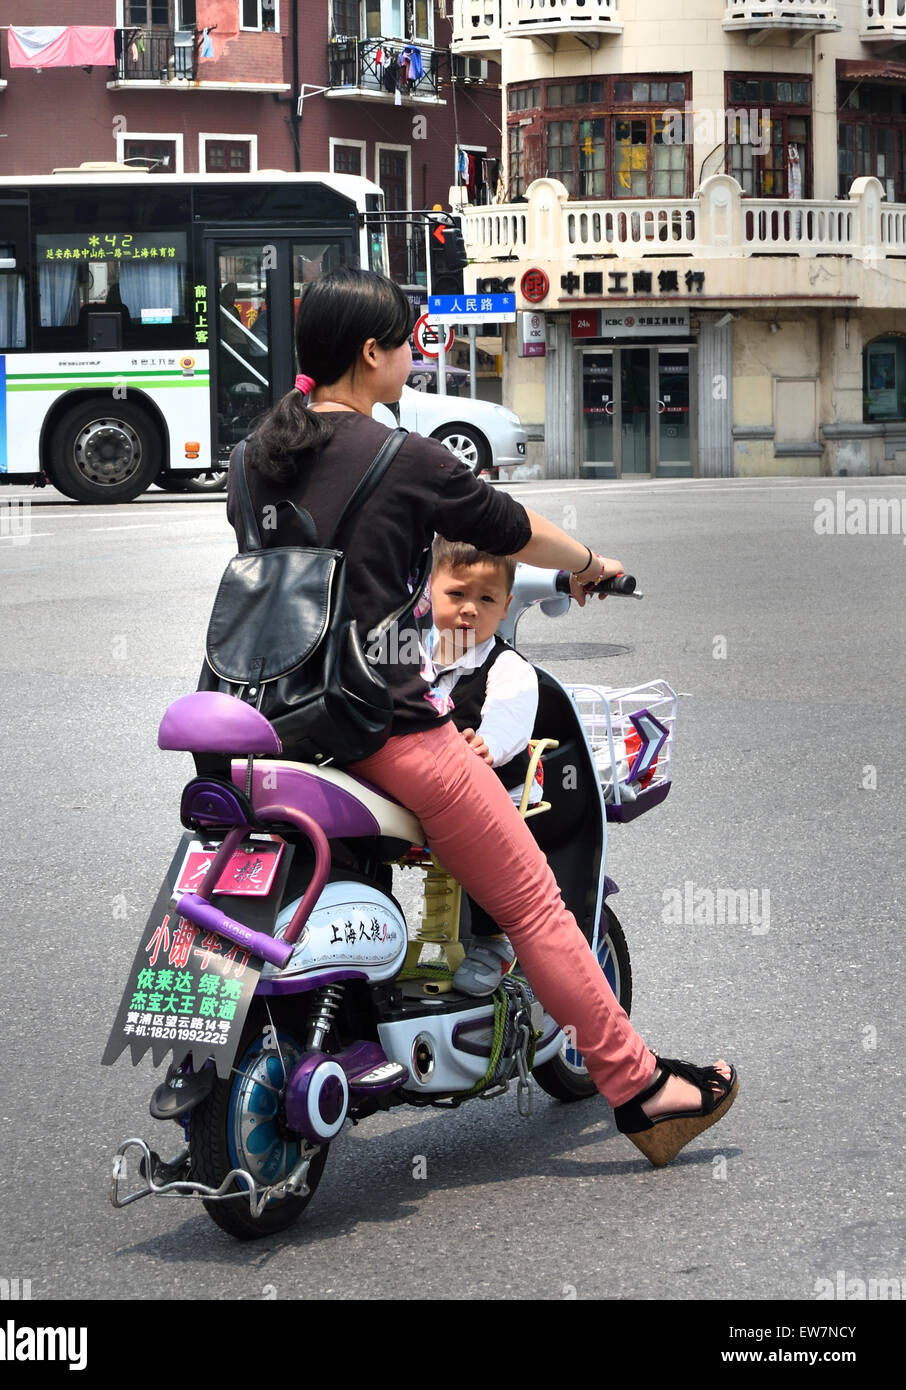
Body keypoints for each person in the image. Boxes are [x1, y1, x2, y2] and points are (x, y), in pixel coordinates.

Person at [228, 266, 738, 1169]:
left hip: (271, 724)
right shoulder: (402, 455)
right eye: (406, 342)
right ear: (371, 353)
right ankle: (641, 1087)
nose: (413, 358)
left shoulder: (255, 455)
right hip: (379, 729)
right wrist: (593, 561)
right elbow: (508, 526)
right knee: (535, 899)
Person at [427, 536, 541, 996]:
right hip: (427, 788)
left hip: (495, 786)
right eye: (456, 594)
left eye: (487, 599)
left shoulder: (508, 666)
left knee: (484, 837)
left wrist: (487, 744)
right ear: (428, 589)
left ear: (506, 605)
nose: (470, 609)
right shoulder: (411, 656)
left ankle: (492, 941)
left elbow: (509, 718)